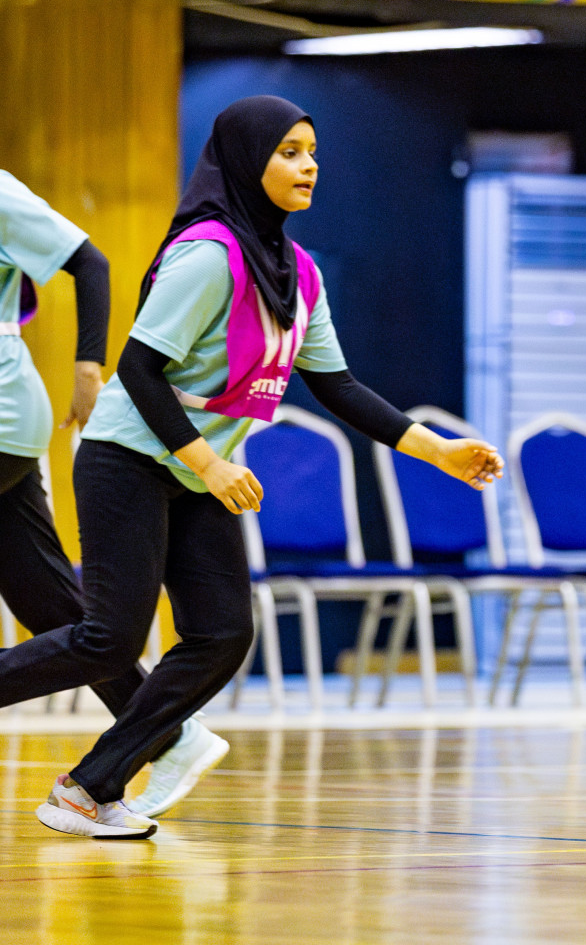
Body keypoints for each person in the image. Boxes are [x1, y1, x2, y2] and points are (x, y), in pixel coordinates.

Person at [0, 96, 503, 839]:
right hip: (130, 460)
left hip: (197, 472)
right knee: (109, 635)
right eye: (290, 153)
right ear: (245, 162)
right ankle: (98, 783)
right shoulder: (208, 254)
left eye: (313, 152)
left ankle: (88, 788)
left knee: (223, 632)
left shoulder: (297, 272)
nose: (309, 167)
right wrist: (206, 459)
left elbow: (338, 385)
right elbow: (138, 368)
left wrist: (436, 450)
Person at [0, 171, 228, 818]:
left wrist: (87, 367)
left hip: (4, 417)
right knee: (49, 604)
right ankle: (168, 733)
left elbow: (90, 263)